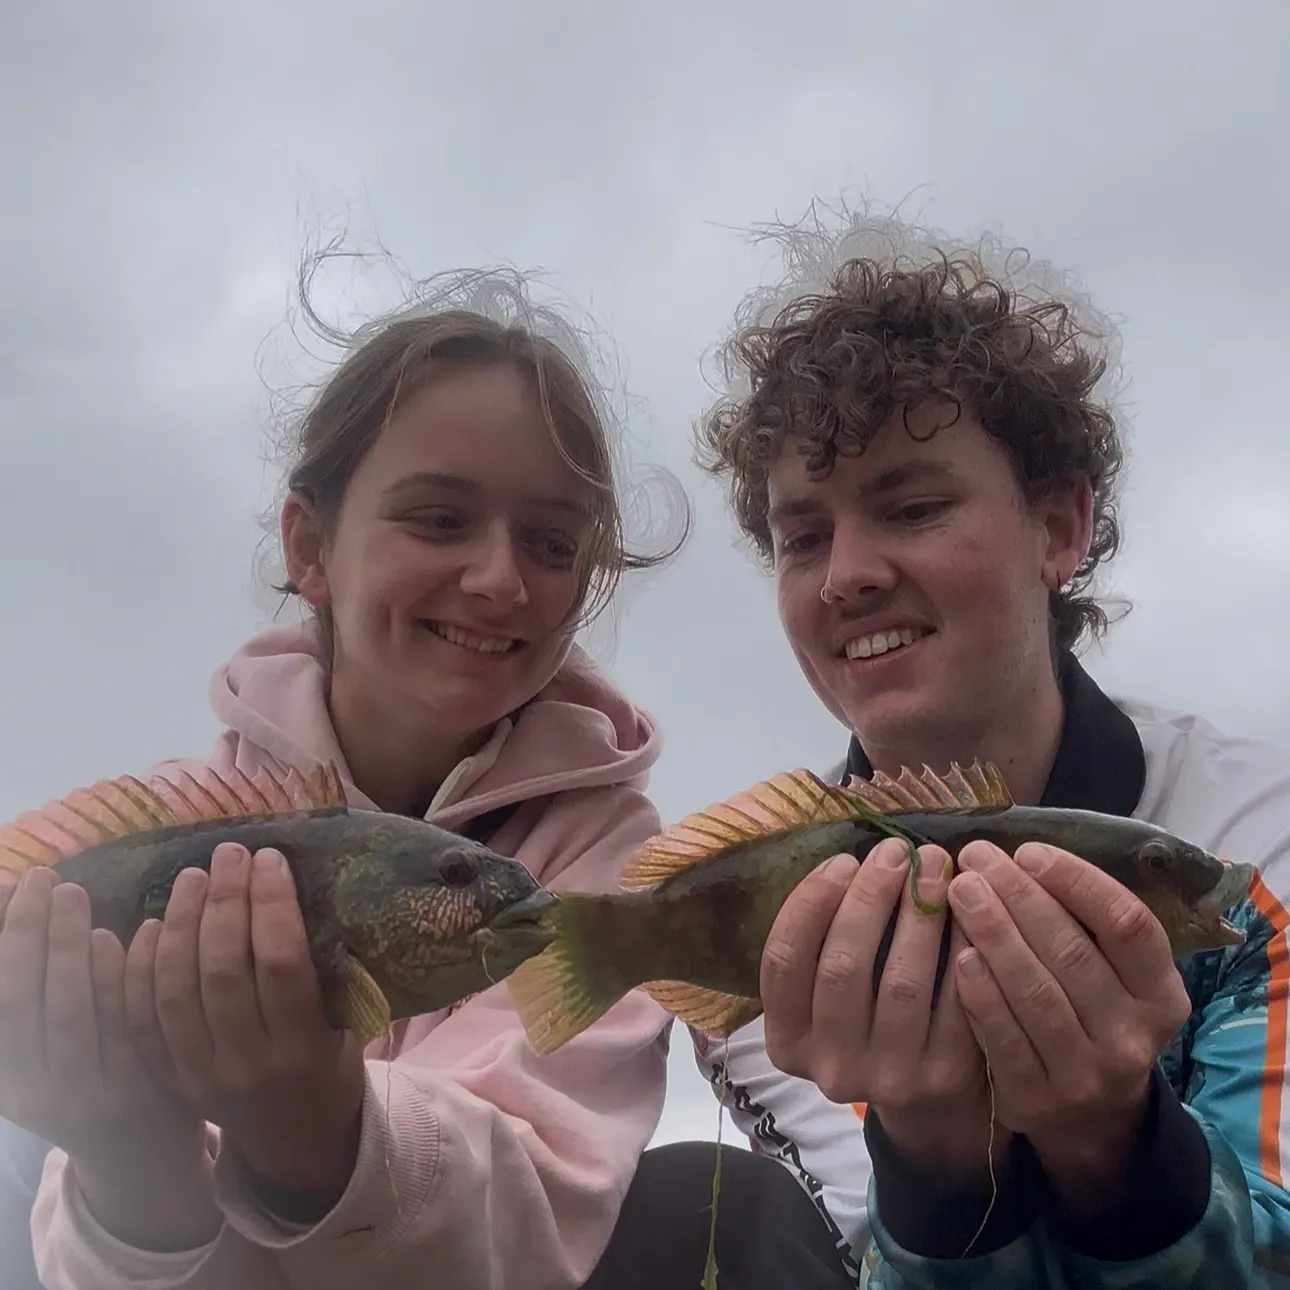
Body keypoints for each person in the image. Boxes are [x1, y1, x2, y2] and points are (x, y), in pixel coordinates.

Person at [0, 255, 828, 1290]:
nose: (496, 578)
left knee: (723, 1202)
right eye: (437, 520)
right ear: (310, 547)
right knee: (21, 1166)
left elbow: (530, 1220)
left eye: (551, 542)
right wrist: (131, 1166)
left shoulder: (603, 865)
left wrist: (320, 1136)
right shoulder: (175, 821)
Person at [686, 205, 1290, 1287]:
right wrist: (936, 1167)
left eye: (912, 507)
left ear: (1059, 529)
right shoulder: (748, 944)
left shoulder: (1258, 847)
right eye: (803, 538)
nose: (846, 575)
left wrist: (1122, 1149)